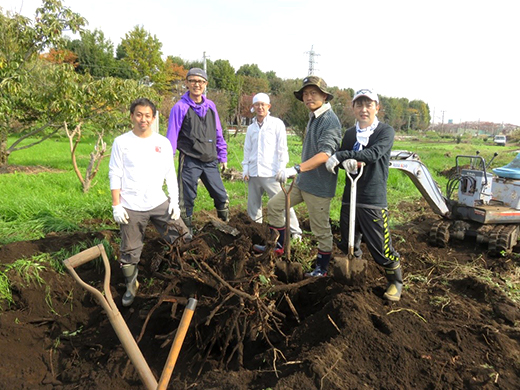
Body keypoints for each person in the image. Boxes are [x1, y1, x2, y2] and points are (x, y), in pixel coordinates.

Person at [253, 76, 342, 275]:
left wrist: (296, 168)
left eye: (314, 93)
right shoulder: (314, 116)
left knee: (320, 229)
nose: (309, 97)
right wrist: (299, 174)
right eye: (305, 94)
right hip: (303, 183)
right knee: (274, 206)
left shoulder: (329, 121)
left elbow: (325, 154)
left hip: (319, 186)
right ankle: (279, 246)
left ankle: (322, 267)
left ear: (324, 96)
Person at [109, 98, 189, 307]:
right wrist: (116, 204)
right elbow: (115, 173)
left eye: (147, 115)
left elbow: (170, 174)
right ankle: (131, 285)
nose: (142, 119)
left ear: (153, 118)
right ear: (132, 116)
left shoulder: (162, 143)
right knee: (129, 251)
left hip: (158, 201)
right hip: (131, 205)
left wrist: (174, 201)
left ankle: (186, 275)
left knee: (183, 236)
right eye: (138, 115)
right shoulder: (121, 142)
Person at [325, 88, 403, 301]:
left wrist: (342, 155)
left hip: (372, 198)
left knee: (381, 247)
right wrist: (343, 162)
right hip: (350, 196)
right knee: (349, 241)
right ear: (353, 108)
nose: (364, 109)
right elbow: (344, 163)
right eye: (359, 104)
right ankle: (354, 277)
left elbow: (373, 154)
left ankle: (395, 281)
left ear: (377, 107)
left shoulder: (385, 132)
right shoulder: (350, 134)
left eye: (368, 104)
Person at [166, 67, 229, 234]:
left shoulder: (211, 106)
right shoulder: (179, 107)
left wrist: (222, 155)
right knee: (186, 199)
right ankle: (186, 233)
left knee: (221, 196)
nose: (197, 84)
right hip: (190, 159)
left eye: (200, 81)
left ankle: (227, 227)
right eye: (193, 81)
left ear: (205, 84)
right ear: (187, 83)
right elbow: (172, 133)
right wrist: (168, 158)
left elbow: (218, 132)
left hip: (210, 159)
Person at [242, 92, 302, 240]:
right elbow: (247, 150)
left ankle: (295, 232)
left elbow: (282, 148)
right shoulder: (251, 128)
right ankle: (257, 231)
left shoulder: (276, 124)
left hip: (272, 173)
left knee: (282, 202)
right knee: (253, 205)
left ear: (269, 106)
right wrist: (245, 168)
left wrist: (282, 168)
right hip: (254, 173)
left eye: (263, 104)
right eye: (257, 105)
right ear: (254, 107)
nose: (260, 107)